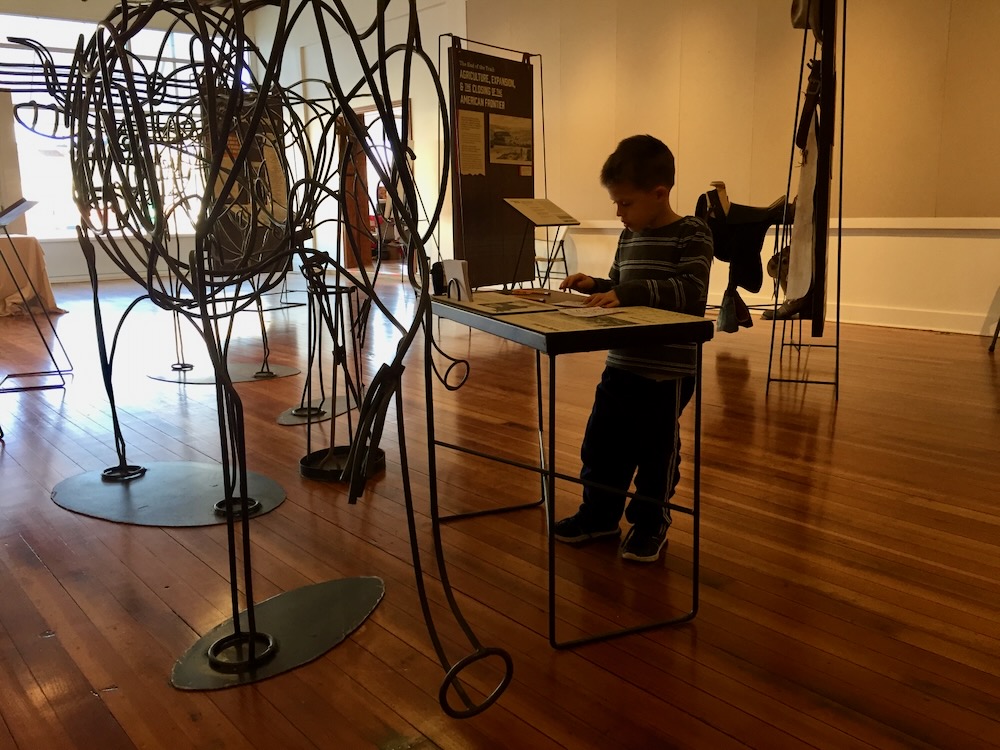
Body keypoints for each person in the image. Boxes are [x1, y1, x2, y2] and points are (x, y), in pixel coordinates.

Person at [553, 134, 713, 562]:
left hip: (667, 372)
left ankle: (650, 523)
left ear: (659, 194)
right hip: (621, 363)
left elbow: (690, 292)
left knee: (656, 454)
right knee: (602, 444)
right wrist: (599, 286)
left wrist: (626, 292)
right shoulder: (630, 237)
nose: (619, 213)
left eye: (625, 203)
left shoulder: (693, 232)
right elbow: (624, 290)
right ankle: (599, 514)